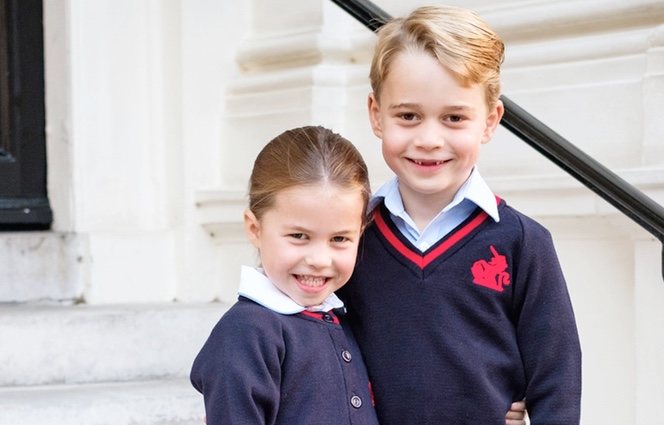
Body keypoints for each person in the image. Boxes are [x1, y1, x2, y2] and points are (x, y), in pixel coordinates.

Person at [337, 5, 582, 424]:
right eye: (408, 116)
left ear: (489, 121)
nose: (429, 140)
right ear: (377, 115)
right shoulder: (351, 239)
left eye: (454, 118)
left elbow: (556, 377)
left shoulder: (523, 243)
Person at [190, 126, 379, 425]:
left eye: (340, 239)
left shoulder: (340, 315)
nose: (319, 260)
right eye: (299, 235)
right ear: (255, 229)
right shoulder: (247, 333)